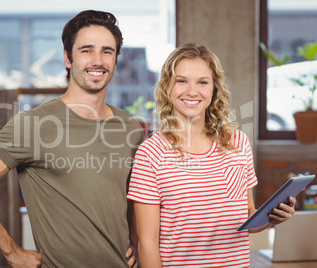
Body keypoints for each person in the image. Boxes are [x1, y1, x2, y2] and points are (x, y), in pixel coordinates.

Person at [0, 10, 143, 268]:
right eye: (86, 50)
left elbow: (132, 198)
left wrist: (137, 242)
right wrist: (12, 252)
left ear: (116, 61)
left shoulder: (130, 127)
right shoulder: (34, 124)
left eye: (107, 51)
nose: (98, 60)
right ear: (67, 58)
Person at [126, 43, 296, 268]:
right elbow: (147, 243)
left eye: (202, 82)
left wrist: (270, 219)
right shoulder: (151, 154)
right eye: (182, 80)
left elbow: (246, 217)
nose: (192, 91)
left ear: (214, 88)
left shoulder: (238, 144)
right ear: (167, 86)